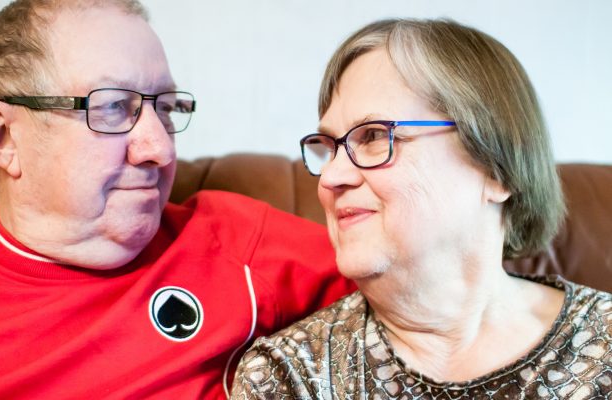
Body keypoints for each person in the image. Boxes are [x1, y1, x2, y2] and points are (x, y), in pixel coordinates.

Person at [0, 1, 354, 398]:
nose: (160, 149)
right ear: (4, 136)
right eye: (112, 107)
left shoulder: (235, 241)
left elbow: (397, 294)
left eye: (165, 108)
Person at [231, 18, 612, 399]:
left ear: (496, 169)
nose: (330, 177)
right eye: (330, 148)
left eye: (374, 136)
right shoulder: (289, 376)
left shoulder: (604, 344)